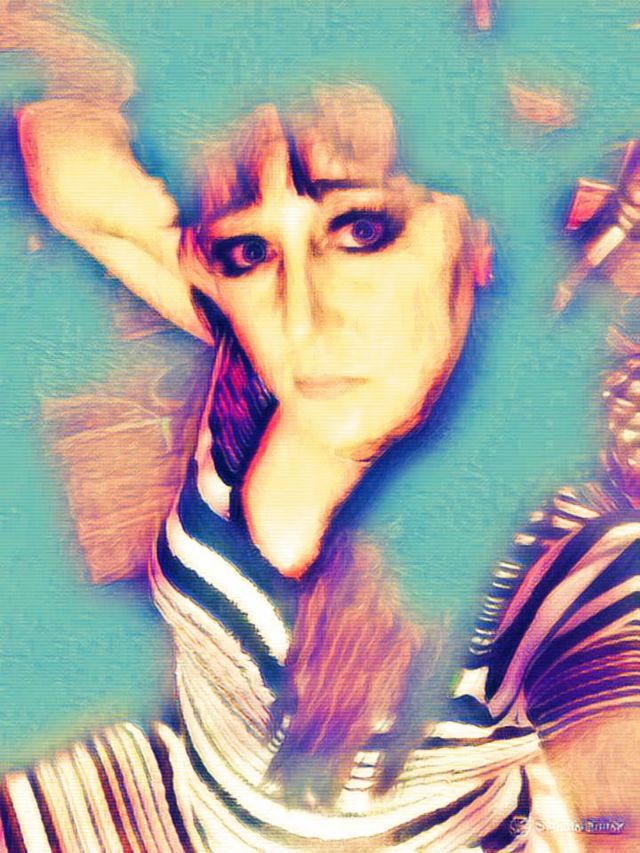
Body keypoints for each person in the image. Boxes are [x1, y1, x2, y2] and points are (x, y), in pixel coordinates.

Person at [1, 4, 638, 851]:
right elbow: (57, 154)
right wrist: (220, 145)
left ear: (481, 235)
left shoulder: (573, 554)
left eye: (363, 229)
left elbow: (619, 775)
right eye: (250, 249)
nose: (303, 316)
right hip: (182, 795)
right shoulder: (253, 355)